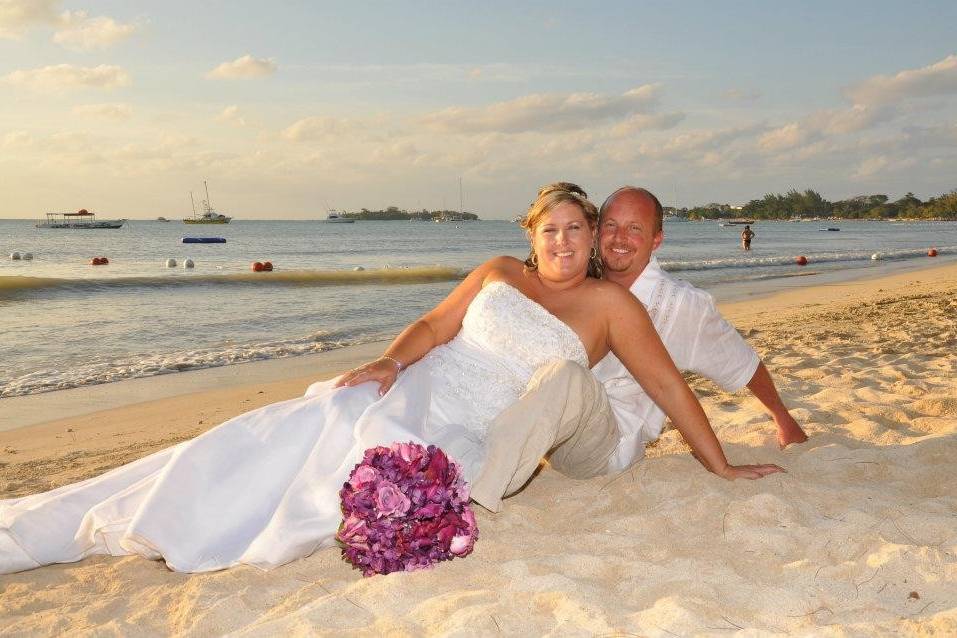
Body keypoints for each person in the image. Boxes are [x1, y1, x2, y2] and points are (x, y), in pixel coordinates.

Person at [0, 188, 782, 575]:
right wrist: (388, 360)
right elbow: (437, 327)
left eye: (580, 230)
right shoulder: (498, 272)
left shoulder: (610, 304)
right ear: (531, 234)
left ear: (595, 242)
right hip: (427, 382)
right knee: (298, 426)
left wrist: (720, 463)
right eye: (555, 229)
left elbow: (673, 388)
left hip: (482, 423)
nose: (568, 240)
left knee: (366, 475)